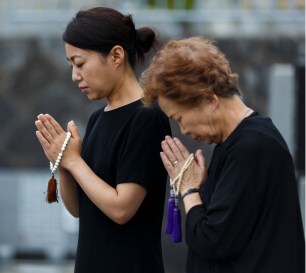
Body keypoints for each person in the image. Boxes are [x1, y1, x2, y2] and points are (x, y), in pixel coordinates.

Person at [140, 36, 305, 273]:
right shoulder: (243, 142)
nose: (184, 130)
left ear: (210, 99)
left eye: (179, 118)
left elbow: (212, 240)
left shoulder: (251, 147)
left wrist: (189, 189)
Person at [35, 7, 170, 273]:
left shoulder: (147, 118)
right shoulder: (98, 119)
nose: (75, 75)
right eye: (71, 65)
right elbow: (77, 210)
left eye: (80, 63)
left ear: (116, 55)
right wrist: (63, 163)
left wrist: (75, 162)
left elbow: (122, 209)